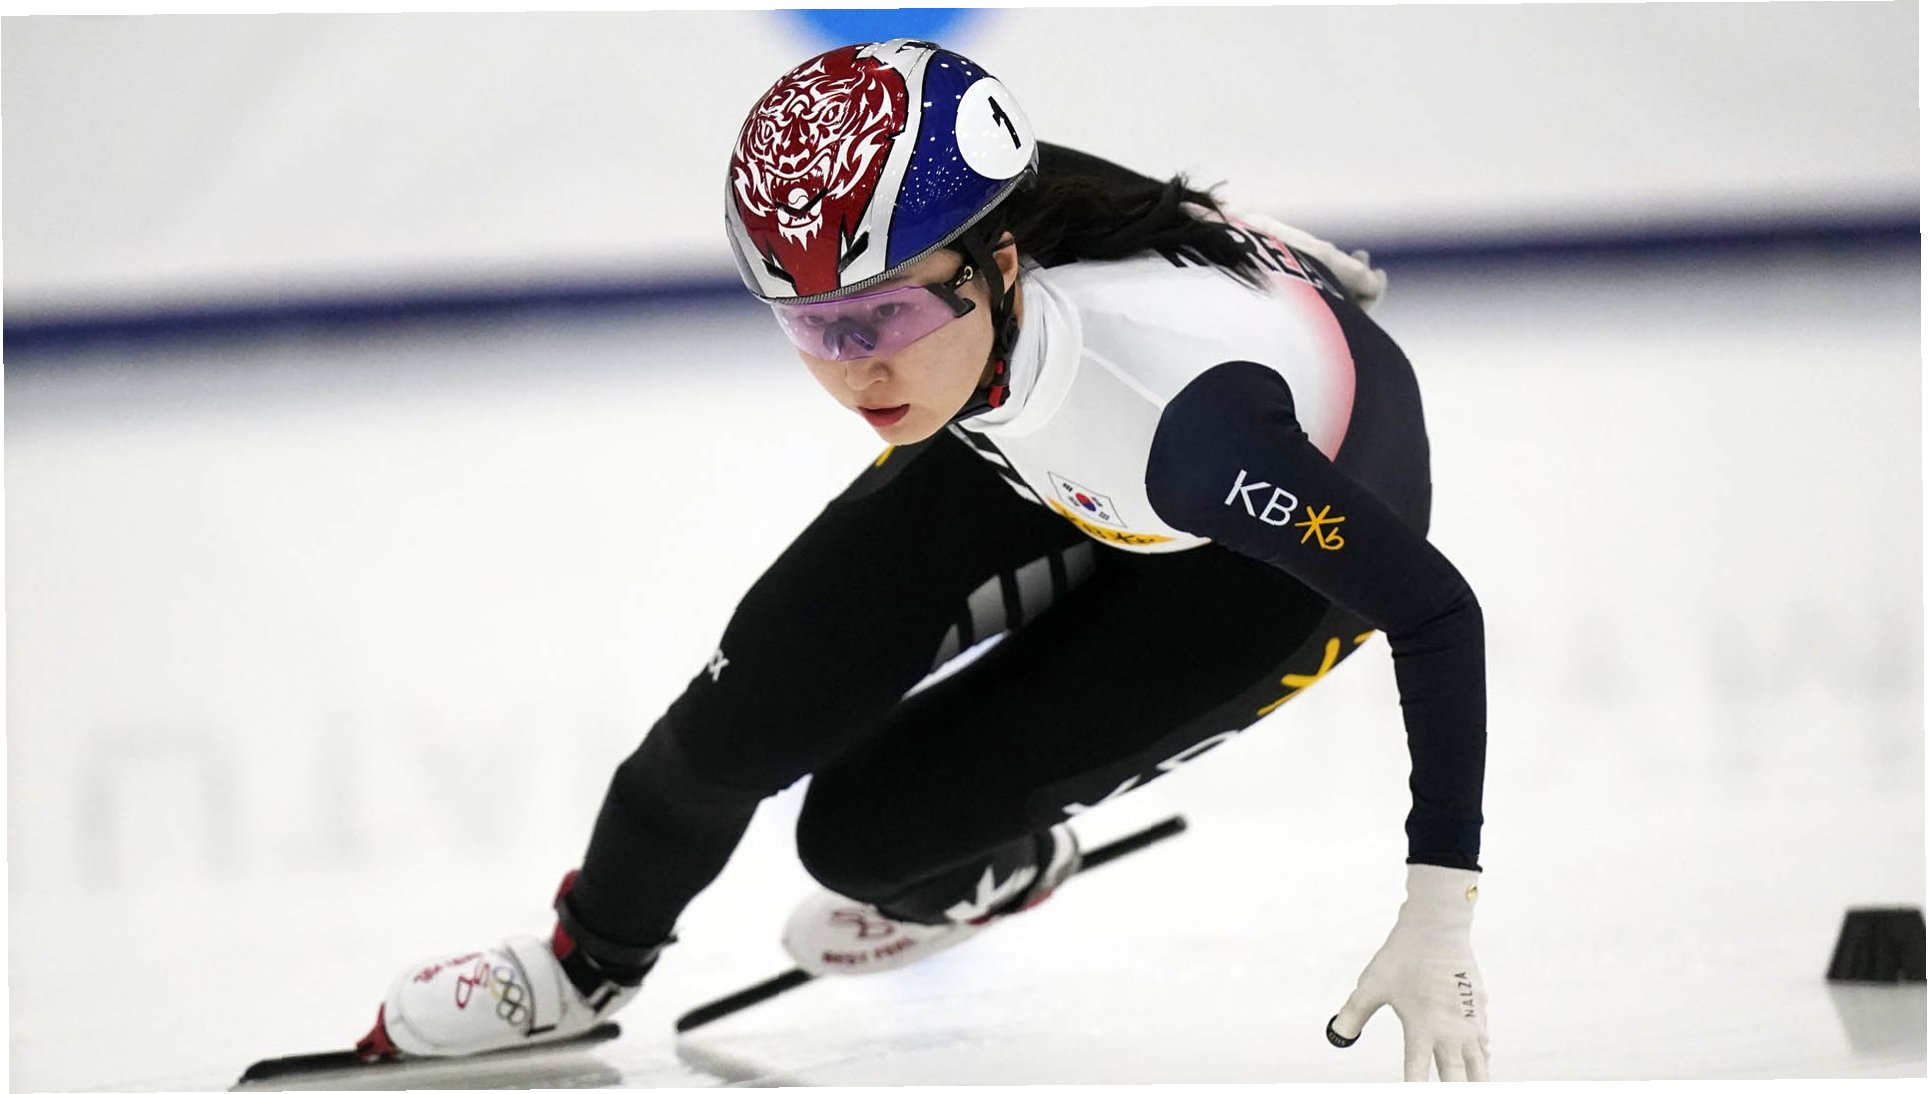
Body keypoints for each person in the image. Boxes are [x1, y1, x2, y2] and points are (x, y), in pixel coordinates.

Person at [359, 38, 1491, 1082]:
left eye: (885, 314)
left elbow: (1438, 613)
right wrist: (1254, 243)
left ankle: (1005, 866)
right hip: (1034, 433)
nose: (856, 369)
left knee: (862, 842)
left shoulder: (1180, 425)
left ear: (998, 261)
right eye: (813, 326)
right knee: (738, 718)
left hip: (1259, 568)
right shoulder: (963, 263)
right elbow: (1110, 193)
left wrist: (1436, 915)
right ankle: (581, 970)